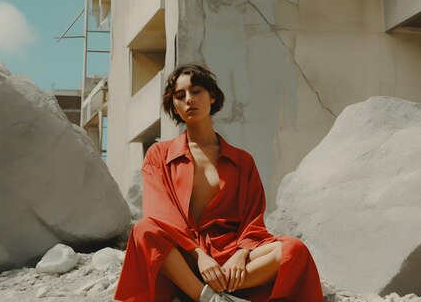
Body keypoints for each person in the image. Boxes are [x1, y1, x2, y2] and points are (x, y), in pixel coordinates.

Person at [114, 64, 323, 302]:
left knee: (293, 250)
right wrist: (199, 255)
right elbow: (161, 214)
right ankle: (210, 298)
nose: (189, 100)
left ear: (212, 96)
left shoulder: (242, 161)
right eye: (180, 96)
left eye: (196, 91)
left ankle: (219, 288)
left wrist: (241, 254)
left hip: (230, 255)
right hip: (182, 257)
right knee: (144, 229)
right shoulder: (159, 155)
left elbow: (252, 219)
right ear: (174, 106)